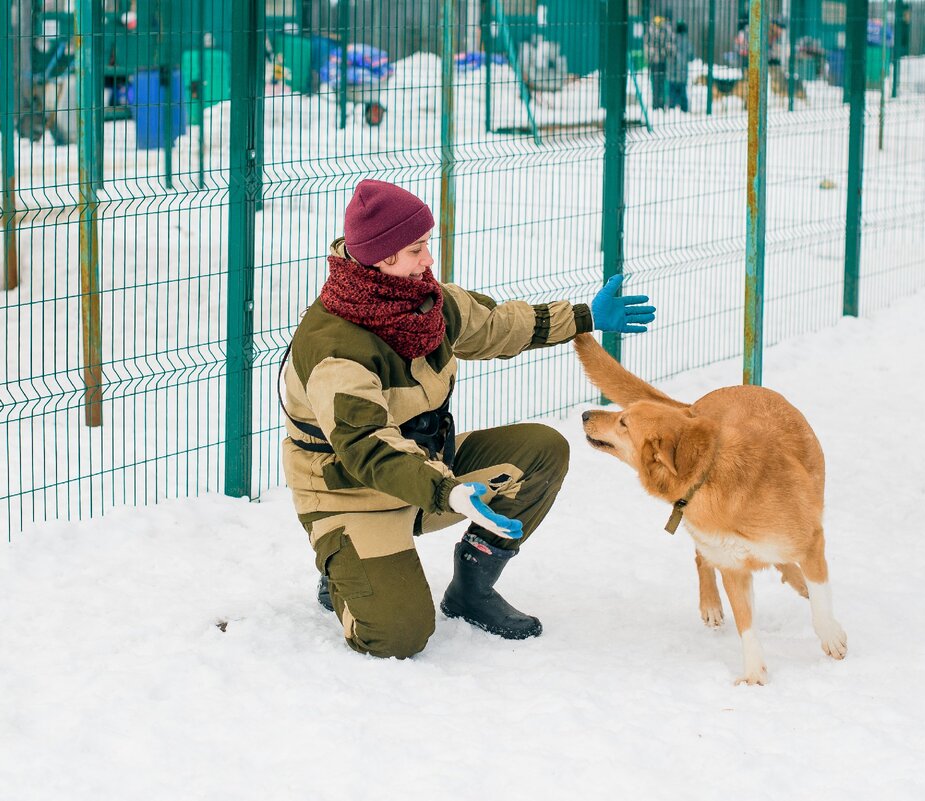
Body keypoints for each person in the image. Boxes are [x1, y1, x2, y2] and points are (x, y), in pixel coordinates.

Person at [280, 180, 657, 659]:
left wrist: (583, 317)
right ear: (382, 257)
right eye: (417, 249)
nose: (428, 260)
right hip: (353, 493)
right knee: (399, 637)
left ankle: (472, 591)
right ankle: (344, 569)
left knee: (541, 450)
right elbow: (367, 449)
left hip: (427, 469)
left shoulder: (424, 303)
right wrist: (447, 490)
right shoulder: (338, 348)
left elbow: (498, 326)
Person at [644, 8, 675, 110]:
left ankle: (658, 104)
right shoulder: (665, 29)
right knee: (659, 82)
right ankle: (658, 104)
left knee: (658, 82)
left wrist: (651, 54)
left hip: (658, 60)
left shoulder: (653, 29)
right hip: (660, 60)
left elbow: (647, 45)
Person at [667, 21, 694, 112]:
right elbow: (691, 57)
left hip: (672, 73)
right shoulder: (687, 42)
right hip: (683, 73)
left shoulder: (672, 40)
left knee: (672, 95)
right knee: (683, 94)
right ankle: (684, 111)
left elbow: (668, 54)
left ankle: (671, 111)